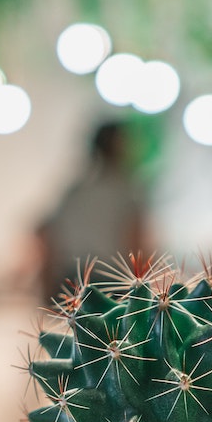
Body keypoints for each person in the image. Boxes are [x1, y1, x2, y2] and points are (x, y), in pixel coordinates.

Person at [36, 122, 150, 305]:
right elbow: (136, 244)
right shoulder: (127, 193)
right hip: (112, 285)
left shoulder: (76, 191)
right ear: (118, 147)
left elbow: (43, 230)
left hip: (70, 282)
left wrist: (45, 284)